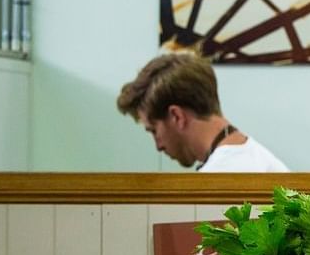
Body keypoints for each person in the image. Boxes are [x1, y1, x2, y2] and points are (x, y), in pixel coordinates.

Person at [117, 52, 289, 172]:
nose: (158, 146)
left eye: (154, 130)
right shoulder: (255, 157)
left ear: (177, 116)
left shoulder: (221, 177)